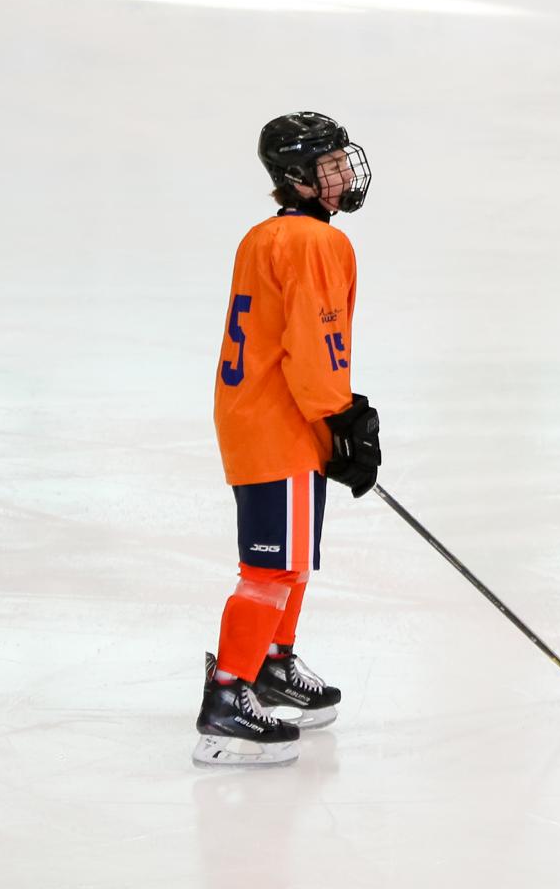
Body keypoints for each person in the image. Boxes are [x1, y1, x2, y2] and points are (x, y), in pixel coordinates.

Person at [193, 112, 382, 769]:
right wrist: (341, 416)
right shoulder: (315, 243)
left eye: (342, 161)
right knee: (269, 567)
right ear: (297, 178)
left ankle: (272, 664)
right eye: (328, 166)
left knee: (291, 557)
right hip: (283, 421)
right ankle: (227, 698)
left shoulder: (266, 235)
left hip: (263, 415)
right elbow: (313, 340)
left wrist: (331, 419)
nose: (343, 174)